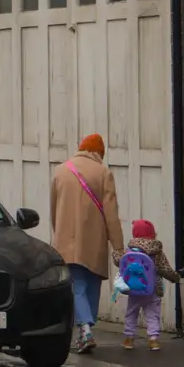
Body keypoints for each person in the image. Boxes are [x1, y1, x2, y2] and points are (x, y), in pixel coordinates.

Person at [49, 133, 124, 353]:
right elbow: (111, 214)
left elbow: (54, 208)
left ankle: (84, 329)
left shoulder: (61, 171)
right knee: (91, 283)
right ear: (98, 152)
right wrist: (118, 247)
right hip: (95, 239)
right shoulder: (103, 173)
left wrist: (59, 231)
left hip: (68, 239)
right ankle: (86, 327)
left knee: (76, 285)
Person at [120, 218, 180, 351]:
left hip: (134, 289)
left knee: (131, 312)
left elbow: (120, 262)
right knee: (153, 313)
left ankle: (129, 338)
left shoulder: (129, 251)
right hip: (152, 288)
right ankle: (153, 339)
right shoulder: (157, 251)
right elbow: (165, 269)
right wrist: (175, 278)